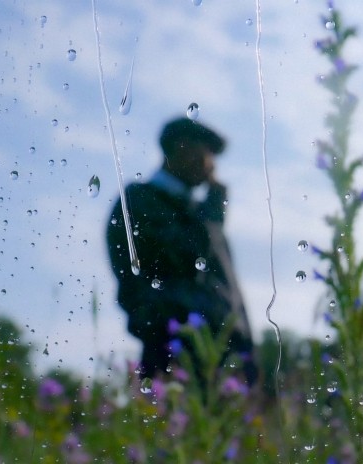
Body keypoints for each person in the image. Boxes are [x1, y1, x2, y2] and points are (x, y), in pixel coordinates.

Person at [106, 117, 257, 383]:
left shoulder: (201, 213)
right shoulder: (141, 201)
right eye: (207, 152)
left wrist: (249, 355)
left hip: (227, 357)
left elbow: (230, 294)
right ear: (182, 147)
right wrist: (214, 204)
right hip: (173, 355)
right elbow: (187, 256)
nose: (212, 165)